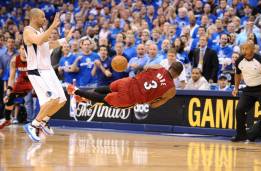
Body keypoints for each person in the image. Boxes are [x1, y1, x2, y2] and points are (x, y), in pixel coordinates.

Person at [22, 8, 73, 142]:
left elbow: (47, 45)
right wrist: (52, 26)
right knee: (51, 99)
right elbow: (39, 41)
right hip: (37, 70)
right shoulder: (28, 31)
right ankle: (33, 125)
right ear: (34, 18)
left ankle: (43, 121)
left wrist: (65, 40)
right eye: (43, 17)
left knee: (61, 99)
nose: (45, 19)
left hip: (48, 69)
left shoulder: (41, 31)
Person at [67, 62, 183, 108]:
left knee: (106, 89)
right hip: (131, 97)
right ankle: (76, 91)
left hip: (128, 82)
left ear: (170, 66)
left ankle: (83, 97)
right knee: (103, 99)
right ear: (178, 75)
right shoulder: (171, 90)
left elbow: (144, 68)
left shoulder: (158, 66)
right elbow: (154, 105)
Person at [0, 45, 32, 128]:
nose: (24, 51)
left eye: (26, 49)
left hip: (33, 81)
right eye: (22, 49)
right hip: (21, 82)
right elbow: (11, 77)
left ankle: (35, 122)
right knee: (9, 99)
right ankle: (7, 120)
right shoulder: (14, 60)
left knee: (30, 102)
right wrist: (8, 91)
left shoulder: (33, 59)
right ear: (19, 50)